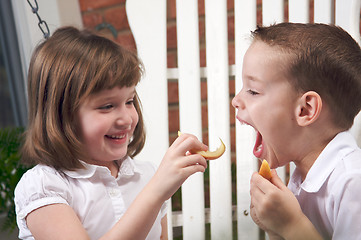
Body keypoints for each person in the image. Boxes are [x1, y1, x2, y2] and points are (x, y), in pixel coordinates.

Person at [14, 26, 209, 240]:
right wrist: (155, 192)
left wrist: (155, 188)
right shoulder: (45, 187)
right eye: (107, 106)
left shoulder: (145, 176)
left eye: (129, 101)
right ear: (62, 114)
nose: (126, 118)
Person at [232, 22, 361, 240]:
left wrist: (291, 225)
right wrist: (275, 228)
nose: (236, 100)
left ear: (305, 109)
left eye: (253, 91)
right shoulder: (303, 175)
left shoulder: (353, 182)